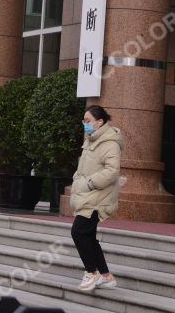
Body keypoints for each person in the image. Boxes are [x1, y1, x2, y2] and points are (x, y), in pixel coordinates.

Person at [69, 104, 123, 291]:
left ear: (100, 122)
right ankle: (107, 276)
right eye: (84, 121)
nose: (85, 124)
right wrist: (78, 179)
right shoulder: (91, 140)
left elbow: (112, 171)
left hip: (97, 199)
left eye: (88, 121)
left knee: (78, 232)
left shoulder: (109, 143)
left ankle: (91, 273)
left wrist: (90, 183)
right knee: (89, 237)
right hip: (87, 196)